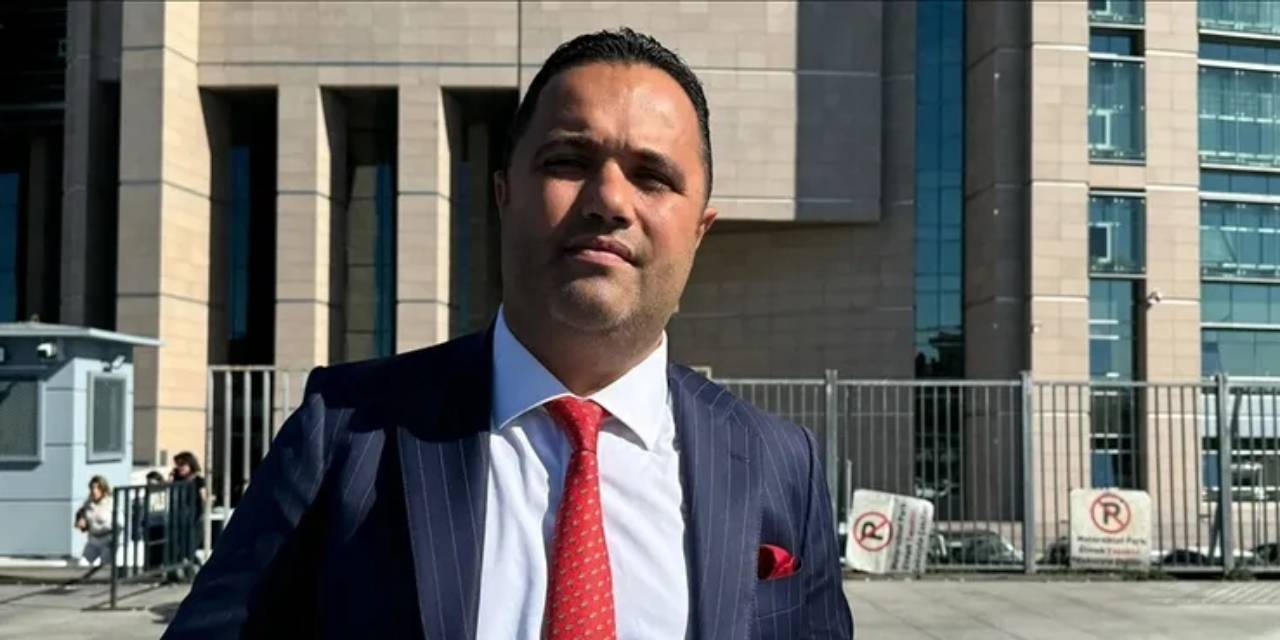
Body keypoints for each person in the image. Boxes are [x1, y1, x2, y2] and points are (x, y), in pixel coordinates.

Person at [165, 28, 852, 639]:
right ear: (504, 195)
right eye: (568, 161)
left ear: (700, 230)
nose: (609, 200)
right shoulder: (345, 433)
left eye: (652, 176)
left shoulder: (781, 467)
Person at [75, 476, 113, 567]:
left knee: (104, 567)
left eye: (98, 488)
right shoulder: (88, 503)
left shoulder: (111, 503)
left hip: (107, 540)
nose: (94, 491)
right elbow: (80, 516)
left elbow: (120, 524)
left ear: (103, 489)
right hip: (93, 540)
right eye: (92, 488)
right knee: (82, 564)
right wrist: (81, 522)